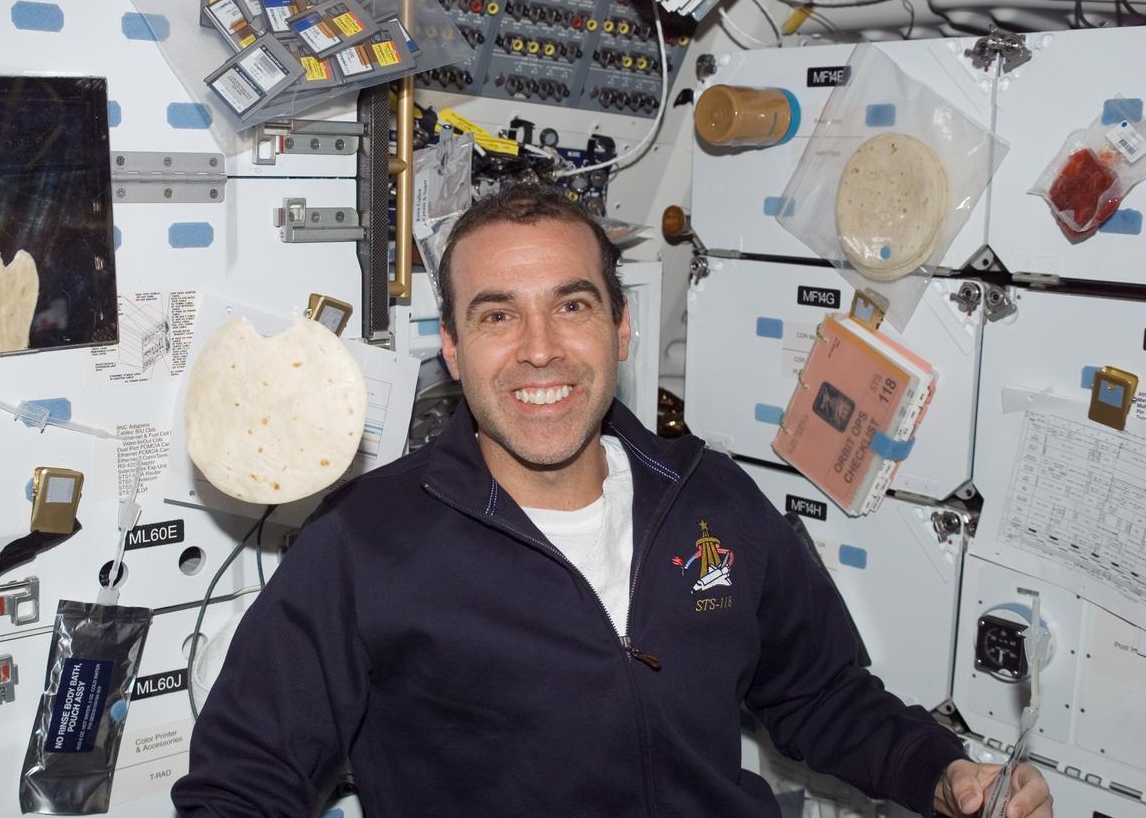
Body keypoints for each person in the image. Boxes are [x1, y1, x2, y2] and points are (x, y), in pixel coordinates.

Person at [172, 184, 1053, 817]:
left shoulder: (711, 497)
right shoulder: (365, 544)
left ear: (621, 326)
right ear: (450, 345)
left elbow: (821, 692)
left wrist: (946, 773)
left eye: (572, 305)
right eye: (496, 315)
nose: (541, 350)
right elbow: (239, 786)